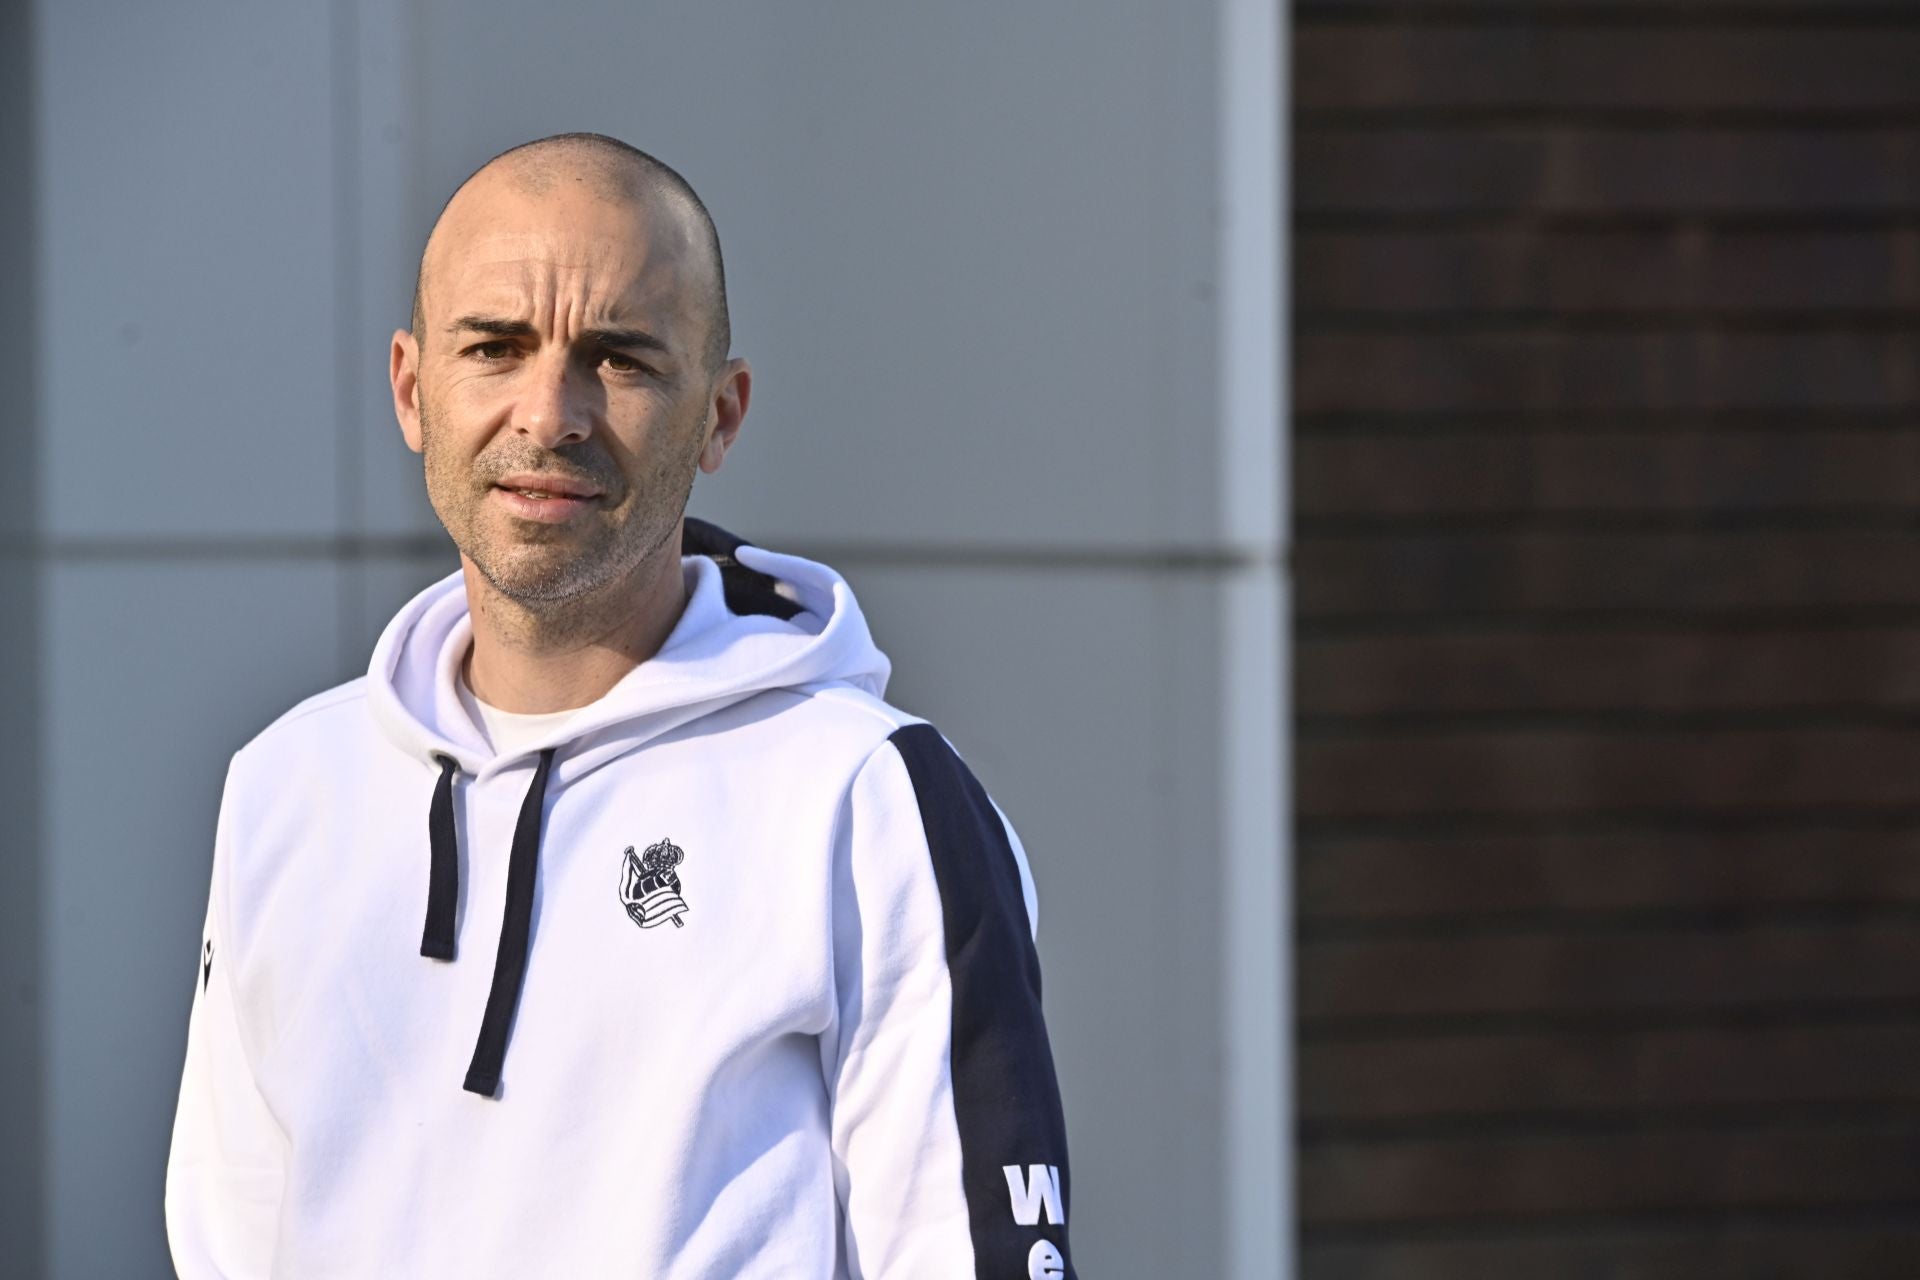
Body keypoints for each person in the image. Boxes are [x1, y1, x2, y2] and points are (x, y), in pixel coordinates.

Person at [164, 132, 1076, 1280]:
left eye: (622, 358)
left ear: (721, 415)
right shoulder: (287, 784)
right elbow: (230, 1237)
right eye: (494, 347)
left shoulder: (870, 797)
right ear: (412, 388)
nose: (550, 413)